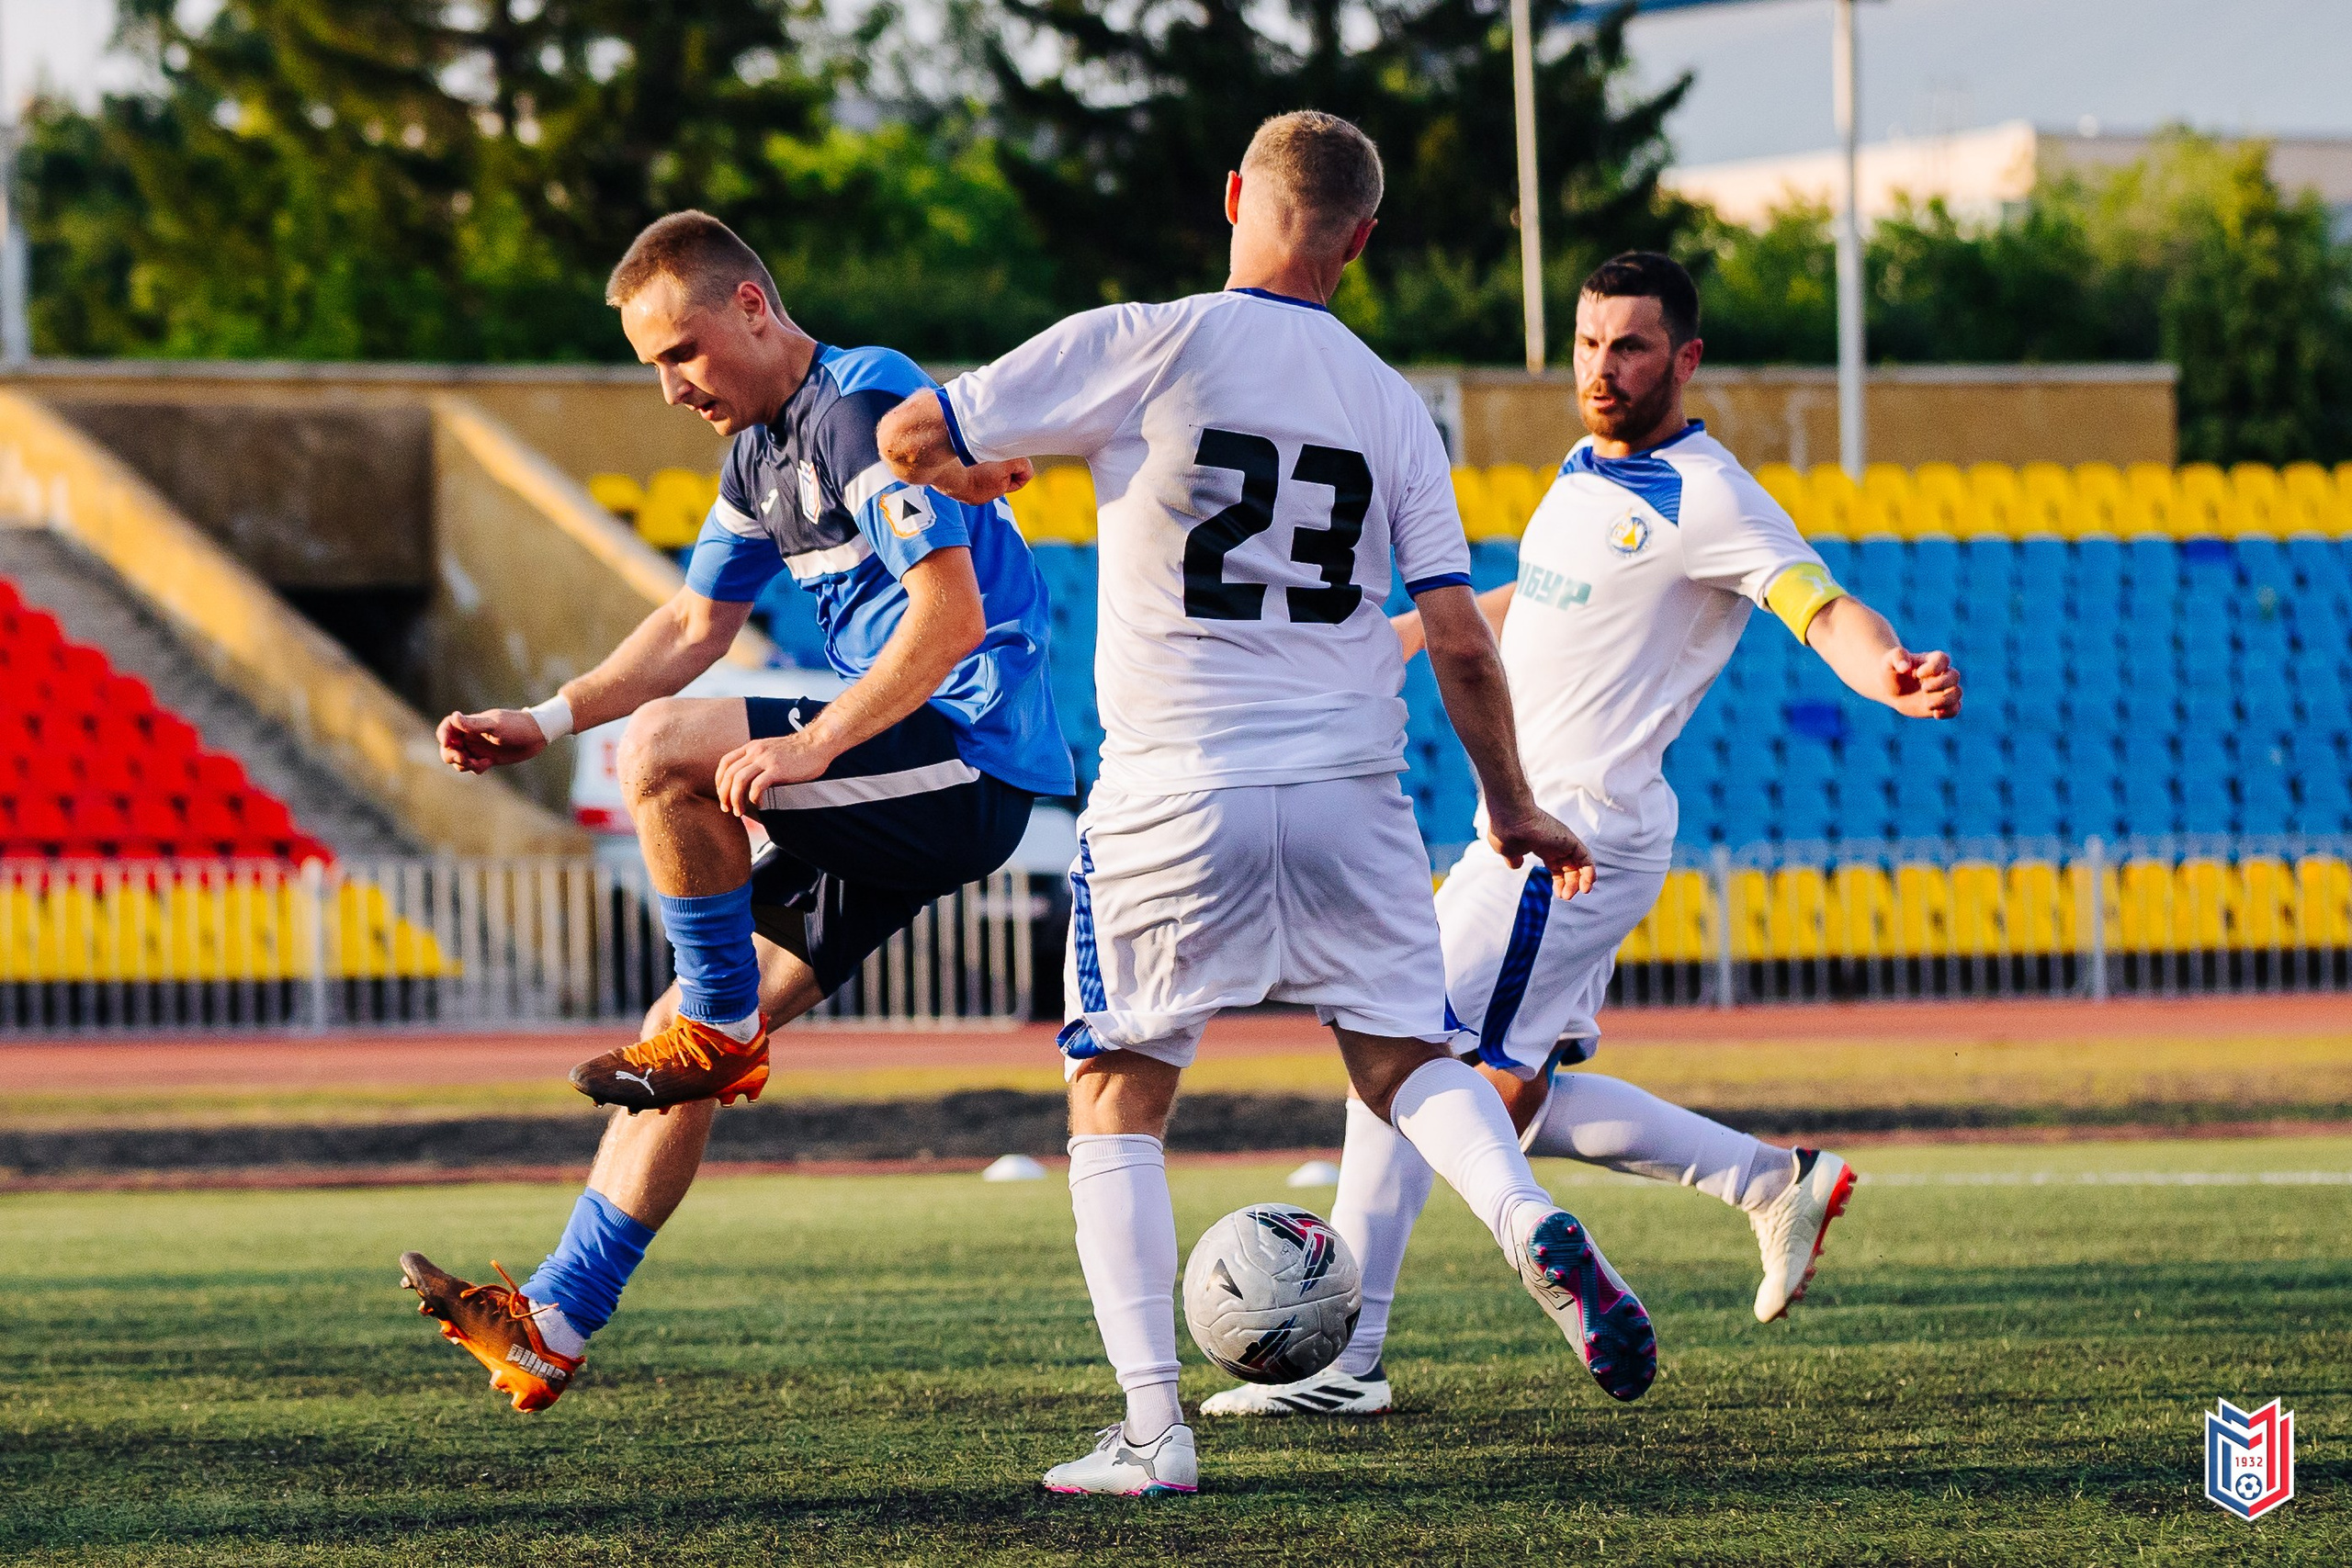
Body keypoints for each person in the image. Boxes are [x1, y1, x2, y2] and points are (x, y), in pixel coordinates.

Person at [876, 111, 1656, 1499]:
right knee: (1409, 1059)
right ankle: (1530, 1216)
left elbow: (907, 431)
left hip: (1174, 784)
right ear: (1363, 238)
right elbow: (1465, 640)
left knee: (1117, 1091)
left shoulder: (1151, 335)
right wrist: (1519, 806)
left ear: (1235, 195)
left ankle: (1152, 1430)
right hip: (1353, 783)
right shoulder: (1391, 403)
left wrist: (982, 471)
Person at [1199, 252, 1963, 1421]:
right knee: (1507, 1096)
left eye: (1631, 348)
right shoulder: (1584, 468)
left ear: (1685, 359)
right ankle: (1775, 1182)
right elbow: (1545, 596)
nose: (1601, 370)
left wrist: (1888, 671)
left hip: (1566, 841)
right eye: (1587, 343)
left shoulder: (1707, 494)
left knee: (1393, 1059)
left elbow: (1815, 604)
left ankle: (1347, 1362)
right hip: (1541, 835)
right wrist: (1410, 632)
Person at [396, 210, 1073, 1413]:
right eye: (653, 364)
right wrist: (544, 719)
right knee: (685, 1019)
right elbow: (688, 627)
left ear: (754, 306)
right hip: (895, 763)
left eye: (684, 352)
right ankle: (553, 1318)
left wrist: (811, 742)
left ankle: (717, 1025)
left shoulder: (864, 407)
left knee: (666, 758)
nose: (668, 388)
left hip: (973, 757)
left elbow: (950, 617)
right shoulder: (761, 454)